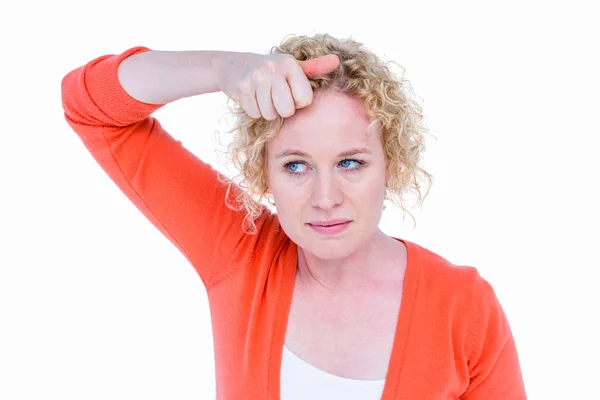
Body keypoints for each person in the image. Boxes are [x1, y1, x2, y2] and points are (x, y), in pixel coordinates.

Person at [61, 33, 526, 399]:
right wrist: (222, 68)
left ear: (391, 163)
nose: (325, 198)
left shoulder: (464, 308)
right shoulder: (240, 254)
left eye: (350, 162)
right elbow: (89, 106)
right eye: (296, 165)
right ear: (263, 173)